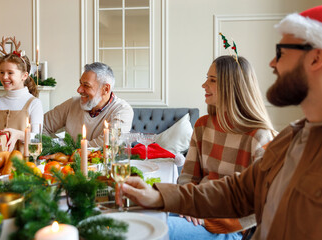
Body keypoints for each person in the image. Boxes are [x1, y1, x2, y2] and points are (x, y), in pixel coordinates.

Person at [122, 5, 322, 239]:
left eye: (281, 52)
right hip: (199, 210)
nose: (271, 63)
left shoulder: (264, 137)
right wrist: (159, 197)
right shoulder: (291, 137)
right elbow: (239, 192)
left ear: (316, 58)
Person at [169, 55, 276, 240]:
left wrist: (208, 219)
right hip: (195, 210)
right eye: (206, 78)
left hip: (228, 227)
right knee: (139, 215)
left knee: (156, 229)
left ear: (231, 87)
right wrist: (190, 205)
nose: (204, 85)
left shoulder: (260, 136)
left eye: (212, 80)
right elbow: (188, 177)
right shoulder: (202, 125)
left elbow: (262, 202)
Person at [0, 37, 43, 152]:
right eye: (1, 72)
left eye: (10, 73)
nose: (4, 77)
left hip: (22, 164)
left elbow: (37, 137)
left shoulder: (34, 103)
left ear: (24, 76)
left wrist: (19, 134)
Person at [43, 62, 133, 147]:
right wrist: (51, 148)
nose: (79, 90)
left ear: (105, 89)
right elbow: (41, 125)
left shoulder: (122, 110)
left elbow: (109, 143)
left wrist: (71, 151)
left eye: (86, 85)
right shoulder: (72, 104)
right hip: (67, 163)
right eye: (80, 83)